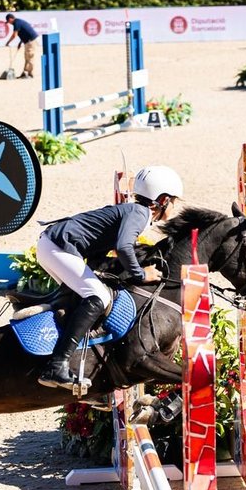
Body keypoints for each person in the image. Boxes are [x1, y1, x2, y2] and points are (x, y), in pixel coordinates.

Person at [33, 165, 183, 390]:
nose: (175, 205)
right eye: (174, 200)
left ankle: (82, 367)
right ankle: (57, 365)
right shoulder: (140, 214)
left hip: (53, 246)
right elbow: (123, 247)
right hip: (58, 247)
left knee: (89, 296)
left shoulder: (132, 211)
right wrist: (141, 274)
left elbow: (98, 250)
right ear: (162, 200)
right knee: (99, 297)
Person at [4, 12, 39, 78]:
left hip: (30, 41)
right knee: (26, 57)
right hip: (28, 41)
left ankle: (30, 74)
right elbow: (24, 33)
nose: (9, 23)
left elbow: (14, 35)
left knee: (30, 56)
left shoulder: (16, 23)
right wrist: (20, 43)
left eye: (8, 21)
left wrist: (8, 43)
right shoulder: (18, 22)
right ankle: (25, 73)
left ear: (11, 19)